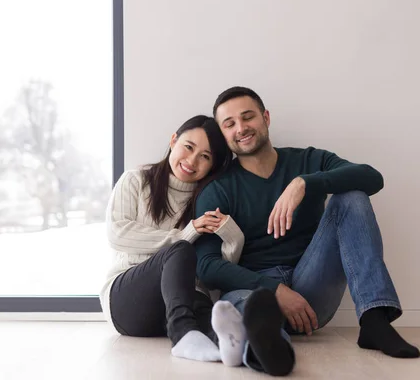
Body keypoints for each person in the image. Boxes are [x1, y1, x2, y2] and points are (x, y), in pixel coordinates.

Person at [194, 86, 420, 375]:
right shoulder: (218, 189)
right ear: (224, 135)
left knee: (352, 196)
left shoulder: (308, 161)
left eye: (248, 117)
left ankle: (375, 320)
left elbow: (372, 177)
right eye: (230, 124)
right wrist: (274, 290)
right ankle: (271, 349)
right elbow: (207, 265)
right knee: (249, 309)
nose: (241, 128)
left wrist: (305, 183)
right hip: (253, 290)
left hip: (311, 287)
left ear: (266, 118)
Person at [99, 115, 248, 364]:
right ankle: (183, 337)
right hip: (127, 302)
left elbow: (213, 275)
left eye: (205, 156)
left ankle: (236, 348)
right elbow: (117, 234)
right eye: (188, 147)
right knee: (180, 250)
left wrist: (232, 234)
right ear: (173, 141)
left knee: (204, 304)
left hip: (180, 304)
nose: (192, 161)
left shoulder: (207, 200)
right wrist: (185, 234)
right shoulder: (136, 180)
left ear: (212, 165)